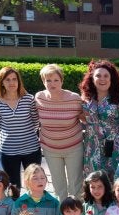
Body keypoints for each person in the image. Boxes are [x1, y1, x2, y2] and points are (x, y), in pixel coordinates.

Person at [35, 64, 85, 198]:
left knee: (76, 184)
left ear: (62, 81)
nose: (52, 84)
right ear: (43, 82)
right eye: (48, 80)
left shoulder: (74, 98)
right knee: (58, 186)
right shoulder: (39, 98)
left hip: (73, 147)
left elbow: (86, 118)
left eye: (56, 80)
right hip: (50, 148)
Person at [78, 59, 119, 176]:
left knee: (116, 183)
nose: (102, 79)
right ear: (92, 79)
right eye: (98, 76)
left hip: (115, 148)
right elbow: (80, 118)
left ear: (111, 79)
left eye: (106, 76)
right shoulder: (85, 100)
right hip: (92, 147)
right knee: (94, 183)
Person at [0, 66, 41, 189]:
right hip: (9, 151)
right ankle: (16, 208)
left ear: (19, 81)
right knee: (13, 186)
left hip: (31, 148)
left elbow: (35, 121)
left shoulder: (28, 99)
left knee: (33, 183)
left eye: (14, 79)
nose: (11, 82)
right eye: (7, 80)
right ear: (1, 82)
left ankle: (34, 207)